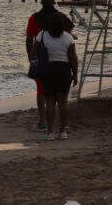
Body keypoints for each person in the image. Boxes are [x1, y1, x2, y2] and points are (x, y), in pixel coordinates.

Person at [25, 0, 74, 131]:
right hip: (62, 61)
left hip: (42, 61)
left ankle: (43, 122)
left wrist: (31, 58)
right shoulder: (61, 18)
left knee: (42, 92)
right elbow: (70, 34)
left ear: (41, 2)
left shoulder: (34, 18)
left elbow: (29, 40)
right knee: (62, 97)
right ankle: (64, 125)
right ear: (54, 2)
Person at [33, 12, 78, 140]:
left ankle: (50, 132)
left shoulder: (42, 35)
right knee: (63, 102)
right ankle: (63, 131)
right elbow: (73, 58)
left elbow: (35, 53)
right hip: (64, 70)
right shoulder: (68, 38)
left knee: (50, 102)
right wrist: (75, 75)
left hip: (48, 70)